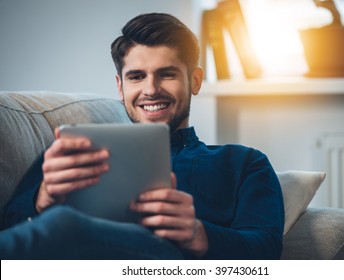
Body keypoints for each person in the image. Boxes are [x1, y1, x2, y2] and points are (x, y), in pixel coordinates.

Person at [0, 13, 284, 260]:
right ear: (120, 87)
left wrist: (200, 235)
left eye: (167, 74)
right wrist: (41, 201)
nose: (151, 89)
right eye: (136, 76)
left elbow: (266, 249)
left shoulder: (245, 163)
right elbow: (11, 229)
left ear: (195, 81)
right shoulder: (71, 154)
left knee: (64, 224)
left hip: (167, 263)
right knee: (61, 223)